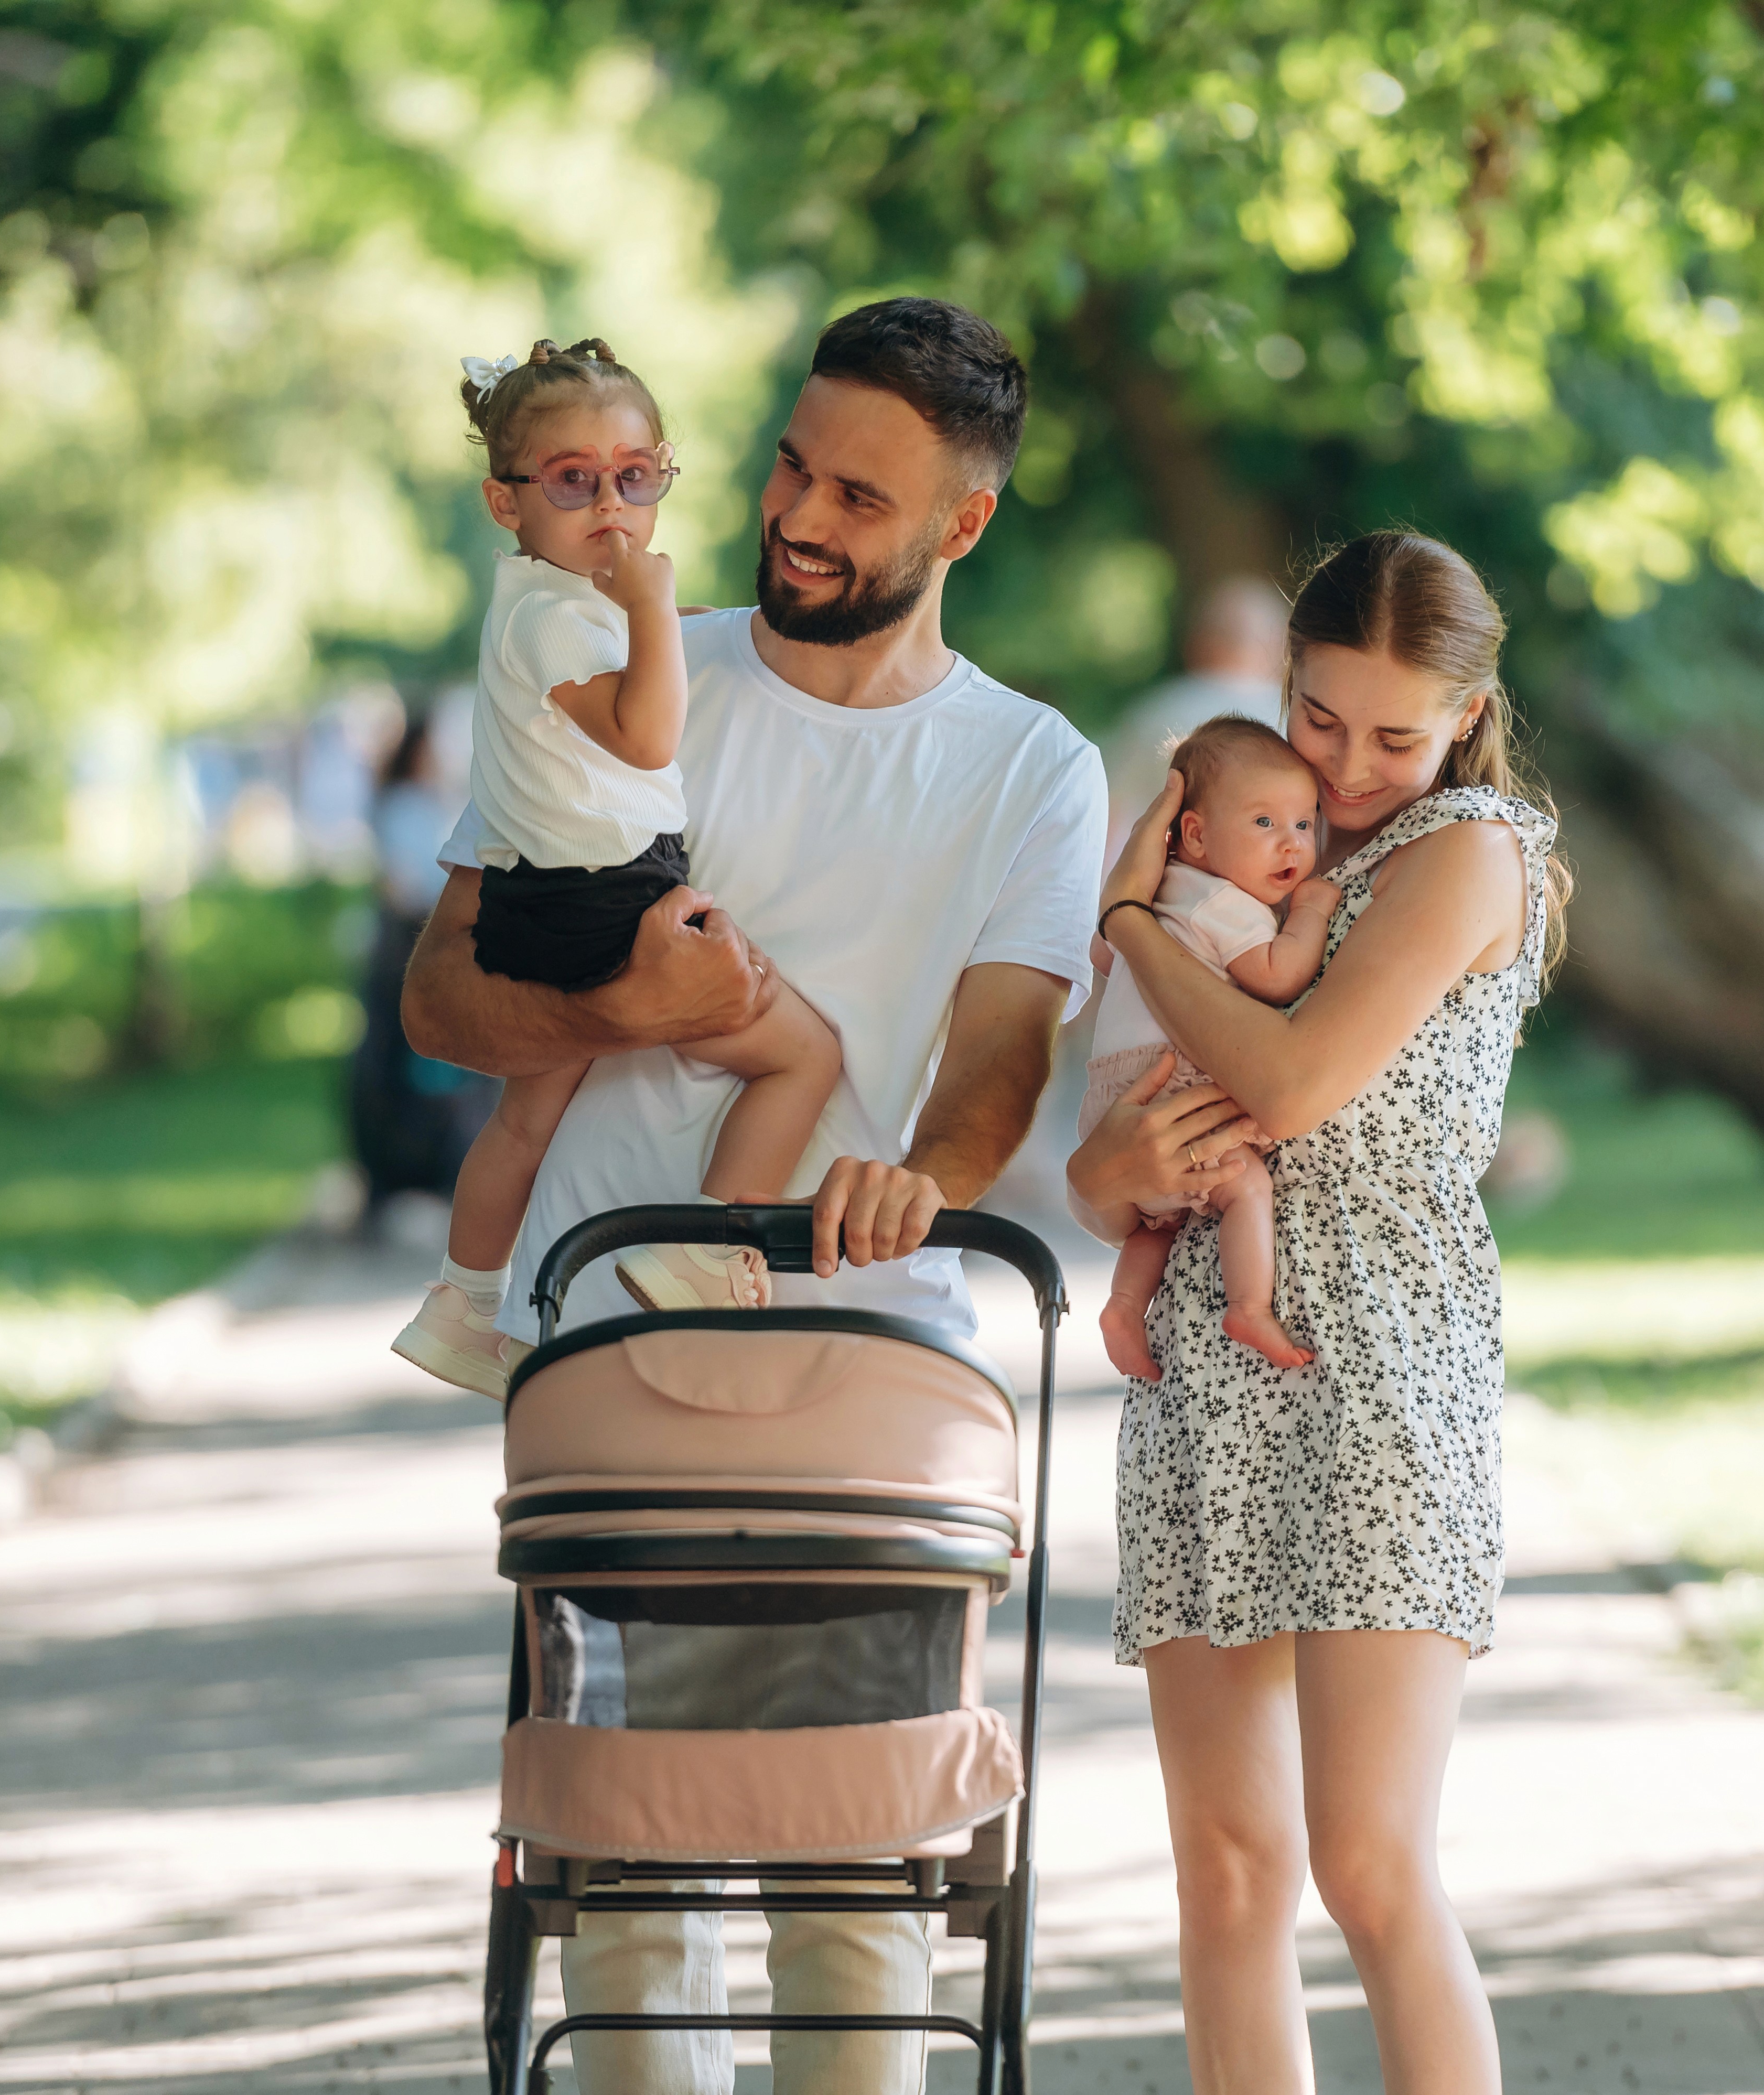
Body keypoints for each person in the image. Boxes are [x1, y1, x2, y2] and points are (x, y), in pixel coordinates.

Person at [401, 298, 1101, 2095]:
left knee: (852, 1861)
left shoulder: (1029, 765)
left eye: (857, 495)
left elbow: (1001, 1054)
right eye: (790, 461)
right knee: (621, 1860)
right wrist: (612, 1011)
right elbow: (442, 991)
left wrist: (916, 1177)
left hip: (863, 1371)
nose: (795, 511)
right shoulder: (622, 665)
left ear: (960, 525)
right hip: (613, 1354)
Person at [1068, 531, 1570, 2094]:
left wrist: (1135, 919)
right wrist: (1109, 1181)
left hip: (1380, 1375)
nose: (1349, 765)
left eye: (1394, 735)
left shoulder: (1463, 852)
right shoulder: (1266, 840)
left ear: (1470, 713)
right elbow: (1116, 1156)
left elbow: (1289, 1084)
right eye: (1321, 715)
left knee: (1367, 1863)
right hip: (1210, 1360)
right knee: (1226, 1873)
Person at [394, 339, 842, 1397]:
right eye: (573, 482)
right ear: (506, 502)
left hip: (538, 894)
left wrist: (648, 618)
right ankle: (704, 1247)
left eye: (637, 478)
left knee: (527, 1119)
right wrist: (654, 608)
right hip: (611, 897)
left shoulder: (554, 606)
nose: (613, 507)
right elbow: (645, 738)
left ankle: (462, 1306)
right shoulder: (559, 615)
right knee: (800, 1057)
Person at [1082, 716, 1337, 1379]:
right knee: (1243, 1184)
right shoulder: (1225, 904)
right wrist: (1309, 913)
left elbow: (1105, 959)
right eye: (1264, 824)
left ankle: (1123, 1303)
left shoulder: (1158, 890)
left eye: (1305, 825)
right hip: (1174, 1077)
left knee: (1155, 1225)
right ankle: (1249, 1305)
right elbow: (1276, 978)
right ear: (1193, 834)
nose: (1292, 845)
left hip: (1118, 1089)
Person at [349, 712, 498, 1222]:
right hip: (408, 946)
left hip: (435, 939)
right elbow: (404, 883)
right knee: (402, 1060)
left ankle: (440, 1164)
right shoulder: (401, 806)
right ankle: (400, 1170)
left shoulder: (434, 802)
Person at [1101, 574, 1289, 863]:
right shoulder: (1295, 720)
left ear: (1197, 642)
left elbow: (1109, 821)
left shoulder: (1154, 712)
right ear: (1281, 646)